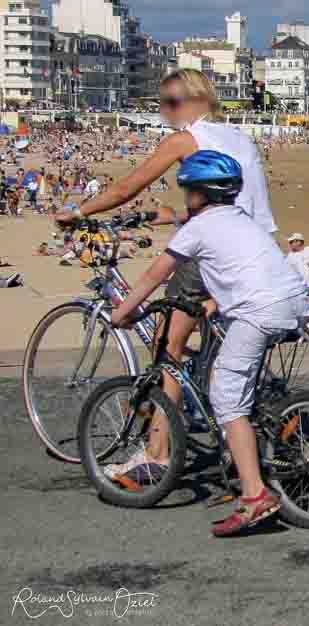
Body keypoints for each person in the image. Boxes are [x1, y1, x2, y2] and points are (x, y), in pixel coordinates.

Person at [56, 69, 277, 433]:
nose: (166, 111)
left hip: (217, 251)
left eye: (172, 103)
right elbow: (234, 199)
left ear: (198, 101)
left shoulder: (186, 140)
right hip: (257, 246)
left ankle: (159, 452)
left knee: (165, 344)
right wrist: (175, 216)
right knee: (200, 328)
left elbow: (127, 187)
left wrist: (79, 212)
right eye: (163, 103)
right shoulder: (239, 137)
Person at [109, 151, 309, 537]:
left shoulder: (197, 229)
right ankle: (254, 445)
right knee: (233, 374)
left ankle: (254, 497)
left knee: (227, 398)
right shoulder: (242, 220)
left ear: (199, 192)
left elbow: (155, 275)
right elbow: (247, 268)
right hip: (294, 302)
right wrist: (213, 302)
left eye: (187, 189)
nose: (185, 196)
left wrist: (122, 313)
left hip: (258, 311)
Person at [286, 232, 309, 321]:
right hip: (298, 286)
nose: (290, 244)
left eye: (291, 242)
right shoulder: (290, 256)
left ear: (299, 242)